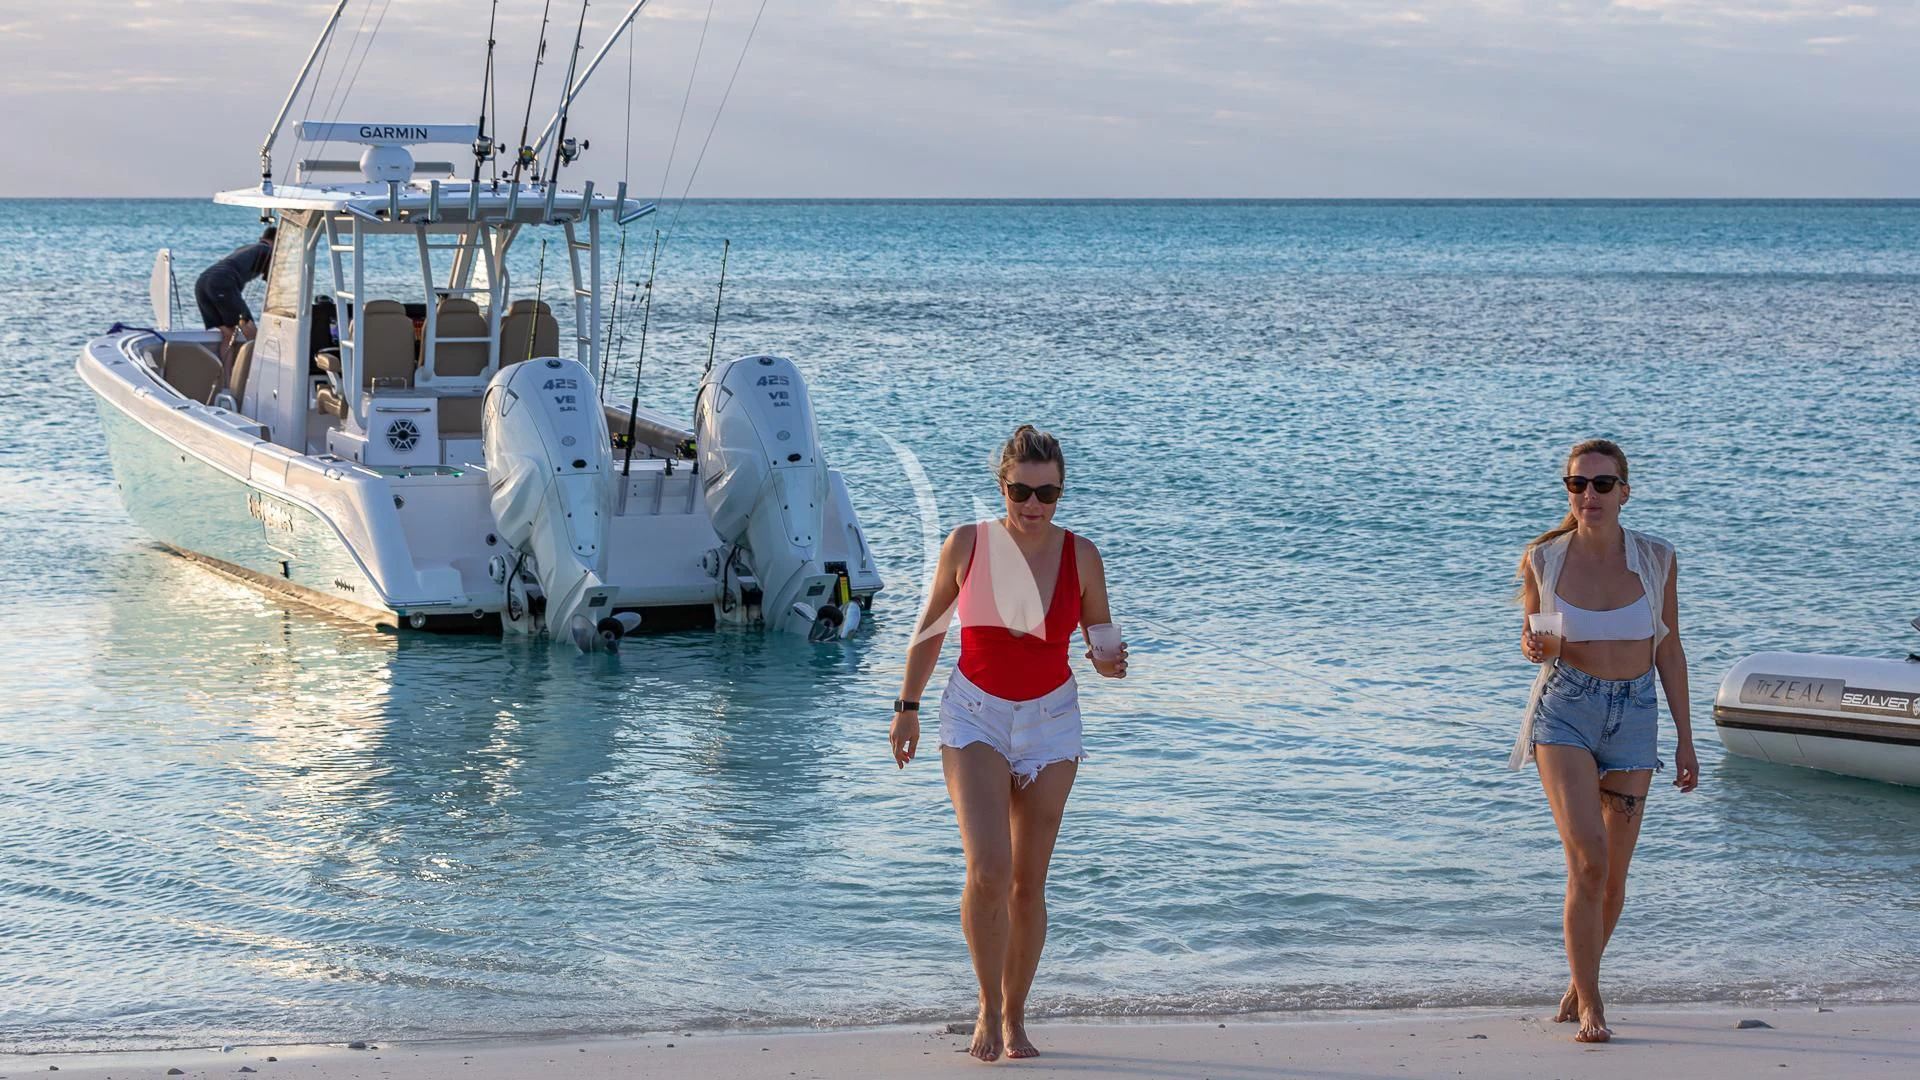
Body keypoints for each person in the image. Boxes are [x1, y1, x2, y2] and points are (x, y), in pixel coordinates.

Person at [889, 424, 1128, 1063]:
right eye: (1021, 491)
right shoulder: (967, 545)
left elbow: (1101, 633)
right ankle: (987, 1006)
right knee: (988, 870)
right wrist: (907, 707)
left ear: (1060, 495)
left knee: (1028, 883)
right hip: (975, 715)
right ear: (1002, 485)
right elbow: (930, 628)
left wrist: (1109, 661)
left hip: (1052, 722)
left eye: (1046, 495)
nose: (1032, 506)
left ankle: (1017, 1015)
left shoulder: (1082, 556)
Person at [1513, 438, 1698, 1044]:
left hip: (1636, 712)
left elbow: (1668, 649)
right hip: (1566, 709)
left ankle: (1577, 980)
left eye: (1600, 484)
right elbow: (1536, 642)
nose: (1587, 495)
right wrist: (1537, 648)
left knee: (1614, 876)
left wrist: (1687, 740)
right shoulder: (1545, 559)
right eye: (1576, 484)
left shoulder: (1657, 558)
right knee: (1588, 859)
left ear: (1624, 490)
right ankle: (1592, 1003)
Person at [194, 226, 276, 370]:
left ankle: (227, 380)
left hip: (202, 283)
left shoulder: (247, 248)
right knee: (249, 327)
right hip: (222, 282)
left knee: (228, 332)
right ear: (276, 242)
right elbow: (274, 282)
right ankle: (262, 372)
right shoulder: (267, 251)